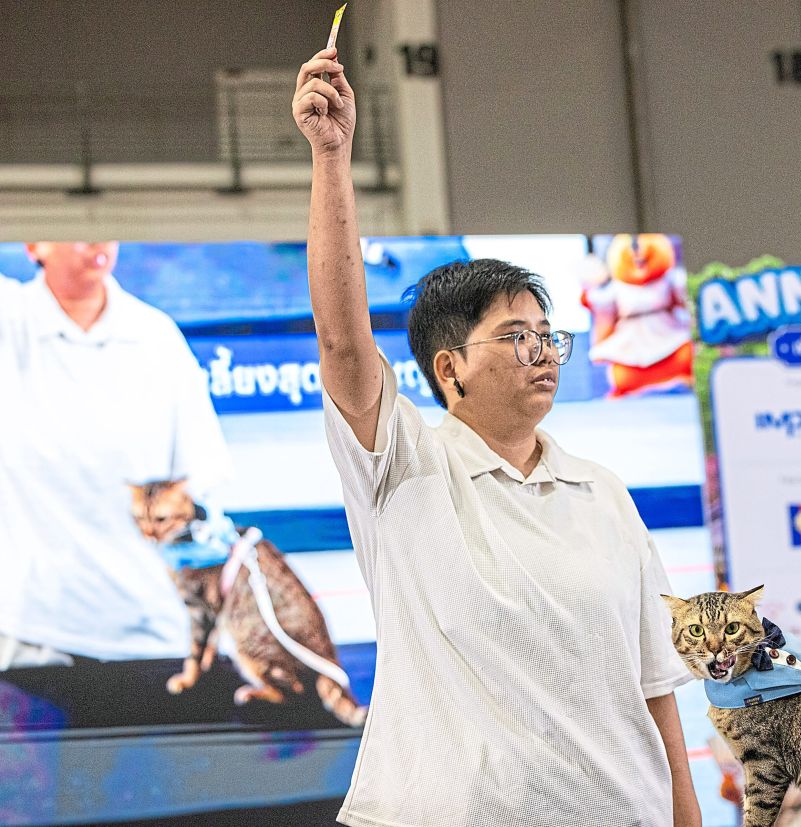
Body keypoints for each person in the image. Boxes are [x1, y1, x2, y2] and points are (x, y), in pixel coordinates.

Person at [292, 48, 701, 826]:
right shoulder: (404, 466)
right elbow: (344, 343)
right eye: (516, 335)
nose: (543, 351)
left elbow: (655, 694)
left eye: (549, 334)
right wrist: (332, 155)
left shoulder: (605, 495)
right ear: (450, 369)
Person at [0, 243, 231, 682]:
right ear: (33, 244)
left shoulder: (154, 335)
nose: (96, 240)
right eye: (76, 227)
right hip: (29, 637)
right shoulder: (10, 320)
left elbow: (200, 475)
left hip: (150, 633)